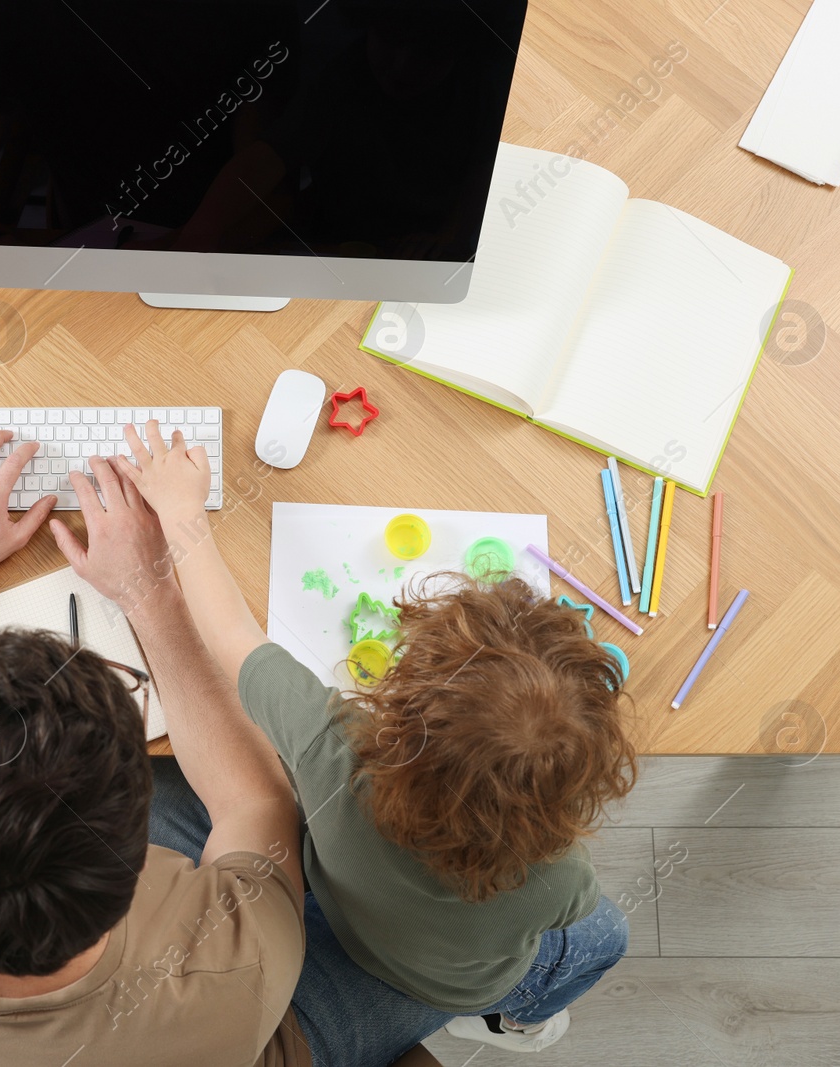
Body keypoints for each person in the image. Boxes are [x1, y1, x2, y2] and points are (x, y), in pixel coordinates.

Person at [0, 431, 446, 1067]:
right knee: (532, 943)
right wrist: (152, 595)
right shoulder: (231, 971)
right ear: (145, 861)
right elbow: (254, 800)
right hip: (258, 1036)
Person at [110, 422, 638, 1053]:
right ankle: (515, 1019)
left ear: (401, 696)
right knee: (605, 935)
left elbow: (232, 637)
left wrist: (181, 512)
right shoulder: (560, 875)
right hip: (453, 983)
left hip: (340, 918)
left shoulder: (333, 745)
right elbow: (564, 908)